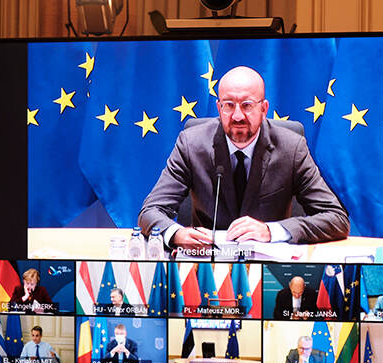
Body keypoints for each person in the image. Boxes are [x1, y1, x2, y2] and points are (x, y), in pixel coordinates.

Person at [138, 66, 350, 250]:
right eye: (229, 105)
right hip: (206, 267)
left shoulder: (291, 148)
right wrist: (176, 234)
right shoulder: (191, 144)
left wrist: (271, 231)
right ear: (219, 108)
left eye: (247, 105)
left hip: (268, 269)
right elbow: (150, 211)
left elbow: (336, 218)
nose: (238, 116)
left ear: (264, 109)